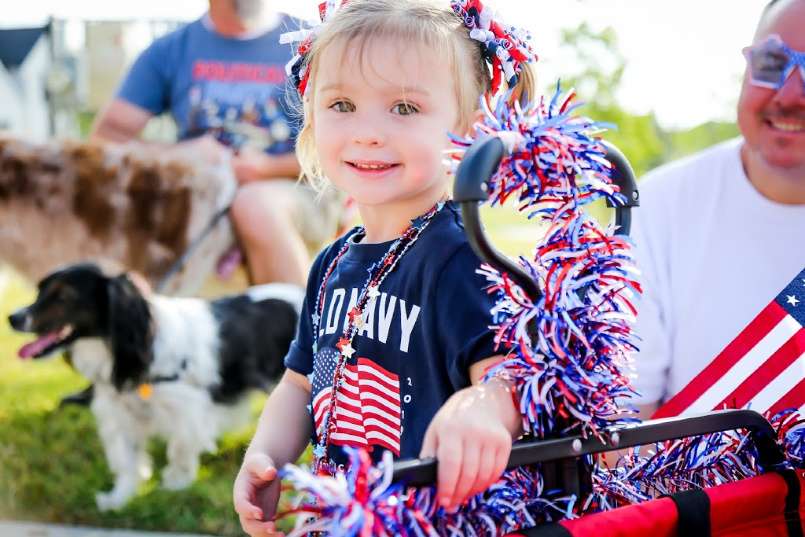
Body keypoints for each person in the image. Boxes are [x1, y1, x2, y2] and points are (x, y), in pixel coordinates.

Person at [232, 1, 537, 534]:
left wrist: (485, 407)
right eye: (342, 104)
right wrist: (265, 454)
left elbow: (513, 377)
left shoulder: (461, 257)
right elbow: (302, 386)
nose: (367, 132)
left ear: (469, 125)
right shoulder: (332, 263)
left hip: (431, 519)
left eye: (403, 108)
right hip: (343, 517)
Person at [631, 0, 805, 417]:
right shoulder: (659, 205)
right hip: (695, 482)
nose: (789, 94)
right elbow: (626, 416)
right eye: (771, 61)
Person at [91, 0, 341, 287]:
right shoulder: (170, 50)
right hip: (203, 193)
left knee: (254, 205)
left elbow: (346, 141)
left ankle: (301, 327)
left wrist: (266, 168)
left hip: (298, 190)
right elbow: (105, 139)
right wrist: (182, 155)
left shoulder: (310, 42)